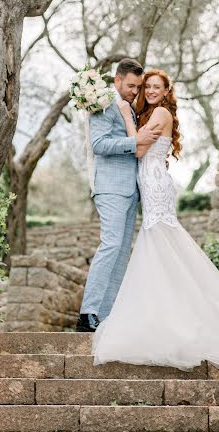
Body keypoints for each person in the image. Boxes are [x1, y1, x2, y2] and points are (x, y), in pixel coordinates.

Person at [92, 69, 219, 371]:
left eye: (155, 87)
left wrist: (123, 113)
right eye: (146, 86)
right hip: (150, 183)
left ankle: (180, 311)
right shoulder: (151, 113)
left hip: (155, 185)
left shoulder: (160, 113)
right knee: (160, 245)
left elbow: (138, 149)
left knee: (160, 242)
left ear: (165, 91)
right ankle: (166, 310)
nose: (149, 91)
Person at [76, 58, 161, 333]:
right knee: (110, 245)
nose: (134, 92)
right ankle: (87, 313)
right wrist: (135, 142)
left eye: (138, 87)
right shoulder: (103, 104)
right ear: (117, 80)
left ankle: (105, 316)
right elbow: (99, 144)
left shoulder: (130, 108)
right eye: (131, 86)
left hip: (130, 190)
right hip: (110, 187)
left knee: (122, 253)